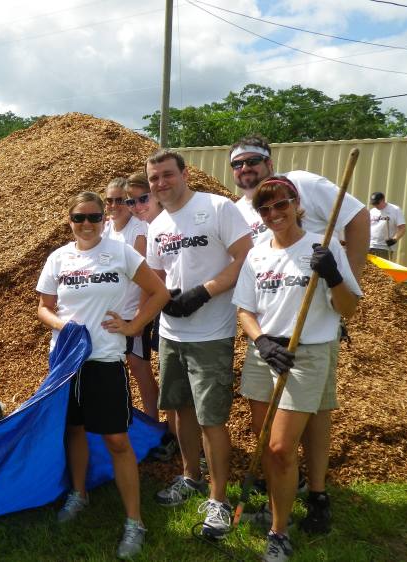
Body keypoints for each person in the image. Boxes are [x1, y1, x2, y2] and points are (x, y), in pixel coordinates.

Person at [229, 134, 369, 534]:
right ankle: (288, 496)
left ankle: (313, 498)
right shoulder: (250, 232)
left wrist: (338, 277)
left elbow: (357, 223)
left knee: (300, 428)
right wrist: (260, 340)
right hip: (267, 345)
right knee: (272, 438)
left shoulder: (311, 205)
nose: (274, 212)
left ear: (296, 204)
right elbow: (246, 305)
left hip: (310, 340)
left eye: (281, 205)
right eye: (238, 164)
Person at [37, 191, 169, 560]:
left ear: (103, 220)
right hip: (66, 361)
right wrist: (63, 326)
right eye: (79, 218)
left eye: (95, 217)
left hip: (106, 360)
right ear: (70, 221)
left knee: (116, 439)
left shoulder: (121, 253)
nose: (87, 224)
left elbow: (159, 292)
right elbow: (44, 307)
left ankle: (134, 522)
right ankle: (79, 494)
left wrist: (134, 327)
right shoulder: (59, 258)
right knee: (74, 429)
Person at [146, 149, 252, 540]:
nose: (160, 183)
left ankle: (218, 499)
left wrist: (205, 291)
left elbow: (245, 257)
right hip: (172, 333)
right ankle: (190, 476)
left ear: (184, 174)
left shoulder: (218, 208)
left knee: (211, 418)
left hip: (211, 333)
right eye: (154, 178)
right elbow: (157, 276)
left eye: (167, 175)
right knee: (179, 409)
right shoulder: (158, 225)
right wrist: (160, 306)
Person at [123, 172, 180, 463]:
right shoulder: (151, 226)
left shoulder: (164, 225)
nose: (137, 206)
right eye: (131, 202)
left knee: (175, 378)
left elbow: (154, 281)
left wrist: (139, 317)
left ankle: (176, 436)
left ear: (155, 196)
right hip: (161, 312)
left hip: (180, 309)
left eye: (142, 198)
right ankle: (168, 432)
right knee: (165, 374)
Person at [103, 177, 158, 421]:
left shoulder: (138, 229)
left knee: (138, 366)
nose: (114, 205)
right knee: (113, 366)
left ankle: (152, 421)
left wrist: (140, 316)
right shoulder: (106, 229)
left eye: (120, 200)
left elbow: (145, 278)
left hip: (132, 310)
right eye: (109, 201)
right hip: (110, 311)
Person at [369, 191, 406, 259]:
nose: (375, 206)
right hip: (370, 246)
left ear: (383, 200)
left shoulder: (395, 210)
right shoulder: (372, 211)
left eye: (377, 203)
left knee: (381, 266)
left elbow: (402, 228)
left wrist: (394, 240)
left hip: (384, 248)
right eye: (374, 204)